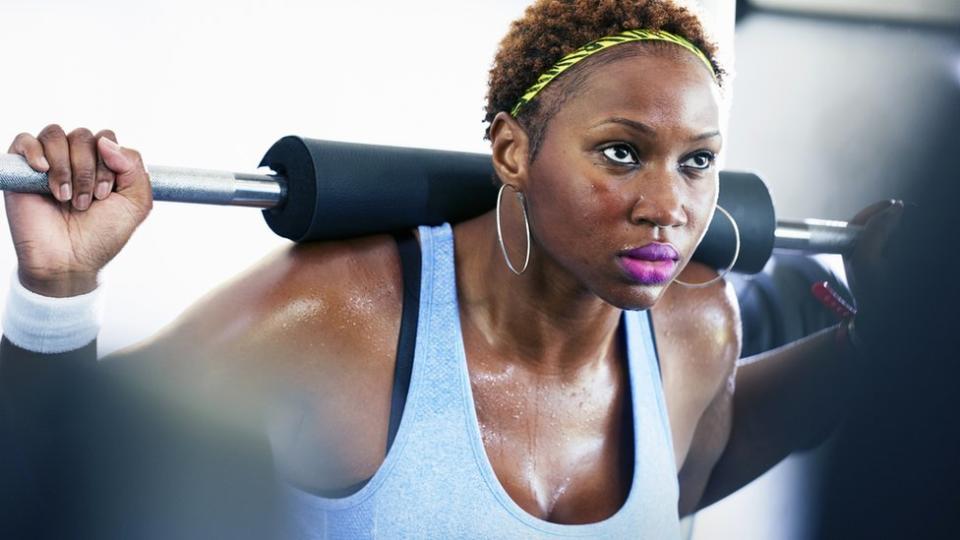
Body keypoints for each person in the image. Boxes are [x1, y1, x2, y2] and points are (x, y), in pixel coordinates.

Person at [0, 0, 903, 538]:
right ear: (512, 151)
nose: (667, 204)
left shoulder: (699, 324)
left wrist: (904, 325)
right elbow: (64, 480)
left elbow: (695, 467)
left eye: (697, 161)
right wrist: (59, 289)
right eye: (622, 154)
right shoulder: (340, 316)